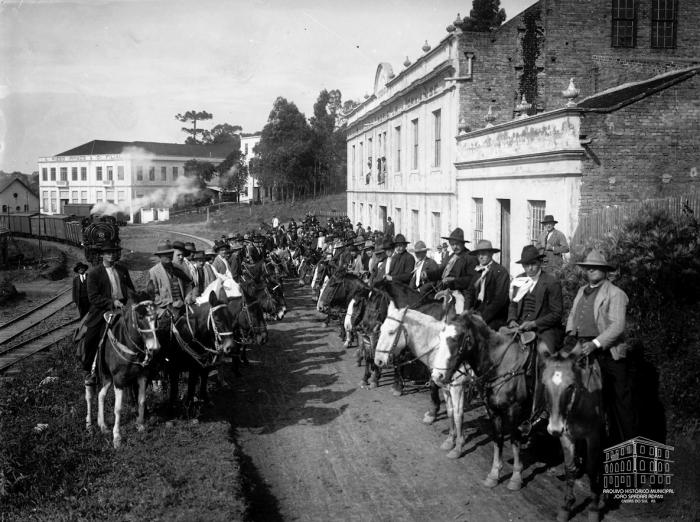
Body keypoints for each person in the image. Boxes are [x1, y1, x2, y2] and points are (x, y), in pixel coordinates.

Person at [566, 250, 636, 444]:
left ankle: (627, 453)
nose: (592, 271)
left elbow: (617, 326)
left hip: (608, 351)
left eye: (596, 268)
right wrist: (571, 334)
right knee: (577, 397)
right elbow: (573, 314)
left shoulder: (616, 293)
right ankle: (586, 454)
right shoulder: (581, 291)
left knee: (619, 404)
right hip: (584, 348)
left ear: (605, 271)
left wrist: (595, 344)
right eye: (588, 268)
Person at [83, 241, 134, 386]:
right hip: (102, 311)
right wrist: (112, 303)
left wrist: (134, 300)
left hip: (123, 308)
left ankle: (144, 365)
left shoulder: (123, 270)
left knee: (143, 330)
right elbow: (93, 297)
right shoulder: (94, 273)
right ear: (101, 255)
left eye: (113, 252)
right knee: (91, 339)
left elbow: (131, 289)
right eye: (108, 253)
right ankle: (90, 371)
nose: (111, 255)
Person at [507, 245, 564, 353]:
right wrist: (512, 319)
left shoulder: (551, 282)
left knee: (546, 354)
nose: (530, 268)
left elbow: (556, 313)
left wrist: (534, 323)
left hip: (543, 329)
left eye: (533, 264)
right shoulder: (518, 280)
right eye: (526, 265)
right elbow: (513, 304)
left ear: (539, 262)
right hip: (519, 325)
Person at [467, 240, 510, 330]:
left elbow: (499, 300)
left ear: (491, 254)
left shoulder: (500, 272)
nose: (480, 257)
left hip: (495, 316)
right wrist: (466, 311)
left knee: (480, 334)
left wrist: (482, 318)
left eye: (483, 254)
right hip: (477, 310)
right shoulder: (478, 271)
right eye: (478, 254)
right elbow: (470, 293)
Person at [148, 240, 194, 322]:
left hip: (183, 306)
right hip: (164, 311)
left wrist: (188, 296)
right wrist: (170, 303)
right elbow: (153, 295)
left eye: (170, 253)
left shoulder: (177, 268)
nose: (169, 256)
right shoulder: (154, 272)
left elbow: (188, 284)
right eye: (165, 254)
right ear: (160, 256)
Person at [426, 228, 477, 296]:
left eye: (457, 244)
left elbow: (472, 279)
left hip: (463, 294)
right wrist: (428, 274)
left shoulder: (470, 257)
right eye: (452, 244)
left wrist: (454, 280)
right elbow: (442, 271)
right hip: (446, 292)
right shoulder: (452, 256)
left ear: (463, 244)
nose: (454, 247)